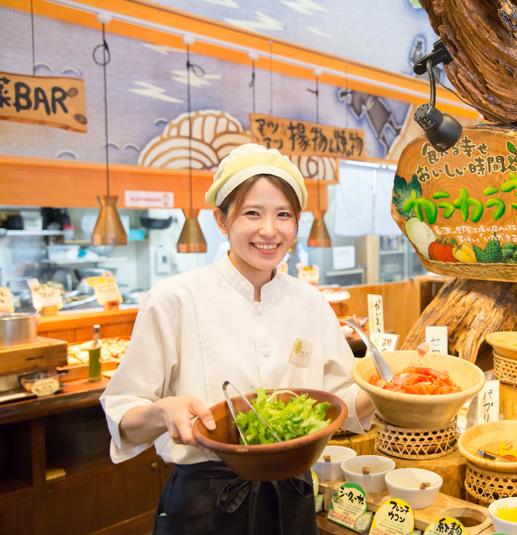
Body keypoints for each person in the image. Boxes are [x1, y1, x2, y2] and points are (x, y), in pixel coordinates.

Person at [100, 143, 374, 534]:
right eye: (252, 213)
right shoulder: (174, 298)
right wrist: (163, 411)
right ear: (222, 220)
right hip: (205, 504)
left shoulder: (311, 303)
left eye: (283, 215)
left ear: (297, 223)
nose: (269, 230)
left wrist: (387, 388)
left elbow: (339, 401)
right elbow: (123, 412)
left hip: (292, 500)